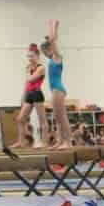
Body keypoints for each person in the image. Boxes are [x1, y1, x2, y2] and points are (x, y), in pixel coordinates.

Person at [41, 20, 71, 148]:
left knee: (62, 117)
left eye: (45, 51)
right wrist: (53, 29)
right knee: (57, 117)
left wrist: (52, 26)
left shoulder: (57, 57)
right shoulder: (52, 58)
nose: (45, 54)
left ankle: (68, 142)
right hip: (54, 90)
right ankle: (60, 140)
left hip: (58, 89)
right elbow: (52, 40)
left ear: (51, 49)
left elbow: (53, 41)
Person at [9, 46, 46, 150]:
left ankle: (44, 142)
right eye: (28, 56)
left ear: (37, 55)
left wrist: (28, 71)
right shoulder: (29, 68)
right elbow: (27, 83)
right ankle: (21, 142)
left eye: (31, 56)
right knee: (20, 119)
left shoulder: (40, 68)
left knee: (42, 120)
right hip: (29, 95)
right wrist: (23, 96)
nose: (29, 58)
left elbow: (30, 79)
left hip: (37, 94)